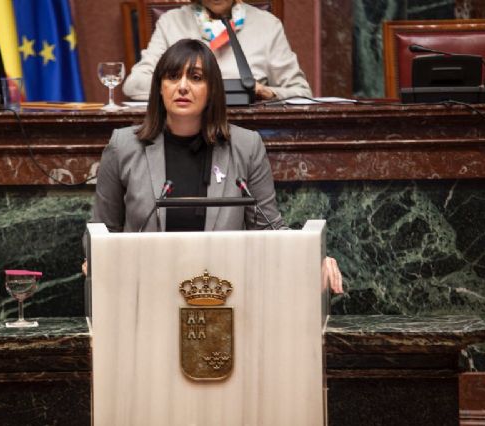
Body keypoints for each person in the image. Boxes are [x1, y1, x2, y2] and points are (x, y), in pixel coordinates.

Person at [88, 38, 343, 293]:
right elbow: (102, 230)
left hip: (222, 294)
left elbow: (268, 228)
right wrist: (95, 258)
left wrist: (312, 257)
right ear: (160, 88)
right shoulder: (123, 146)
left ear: (212, 89)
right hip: (144, 291)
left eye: (196, 77)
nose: (183, 87)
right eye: (173, 77)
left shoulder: (245, 146)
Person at [122, 0, 311, 102]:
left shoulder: (268, 25)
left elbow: (301, 92)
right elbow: (134, 85)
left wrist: (269, 93)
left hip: (250, 132)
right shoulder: (171, 22)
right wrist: (192, 87)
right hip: (185, 128)